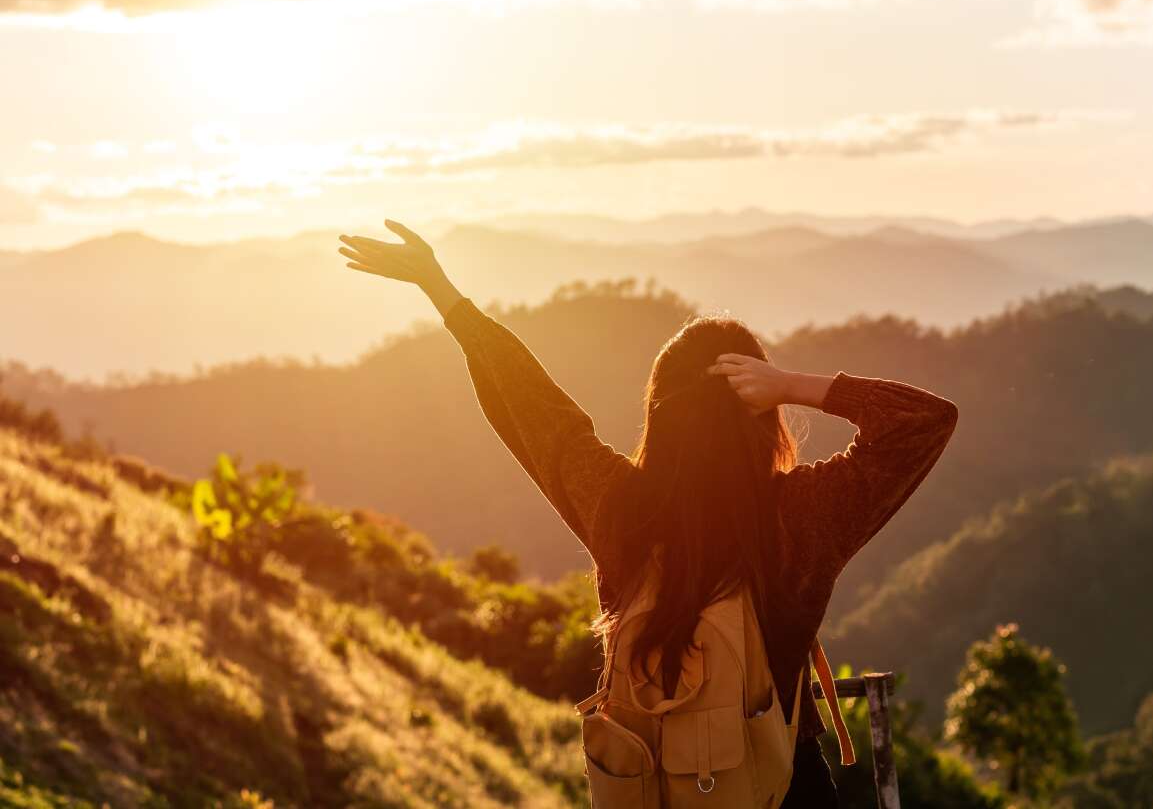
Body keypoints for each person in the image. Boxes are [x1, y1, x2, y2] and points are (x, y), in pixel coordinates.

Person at [338, 220, 960, 807]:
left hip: (653, 788)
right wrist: (795, 385)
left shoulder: (614, 503)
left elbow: (531, 405)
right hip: (779, 788)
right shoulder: (802, 517)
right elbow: (927, 421)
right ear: (759, 413)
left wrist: (441, 291)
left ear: (659, 410)